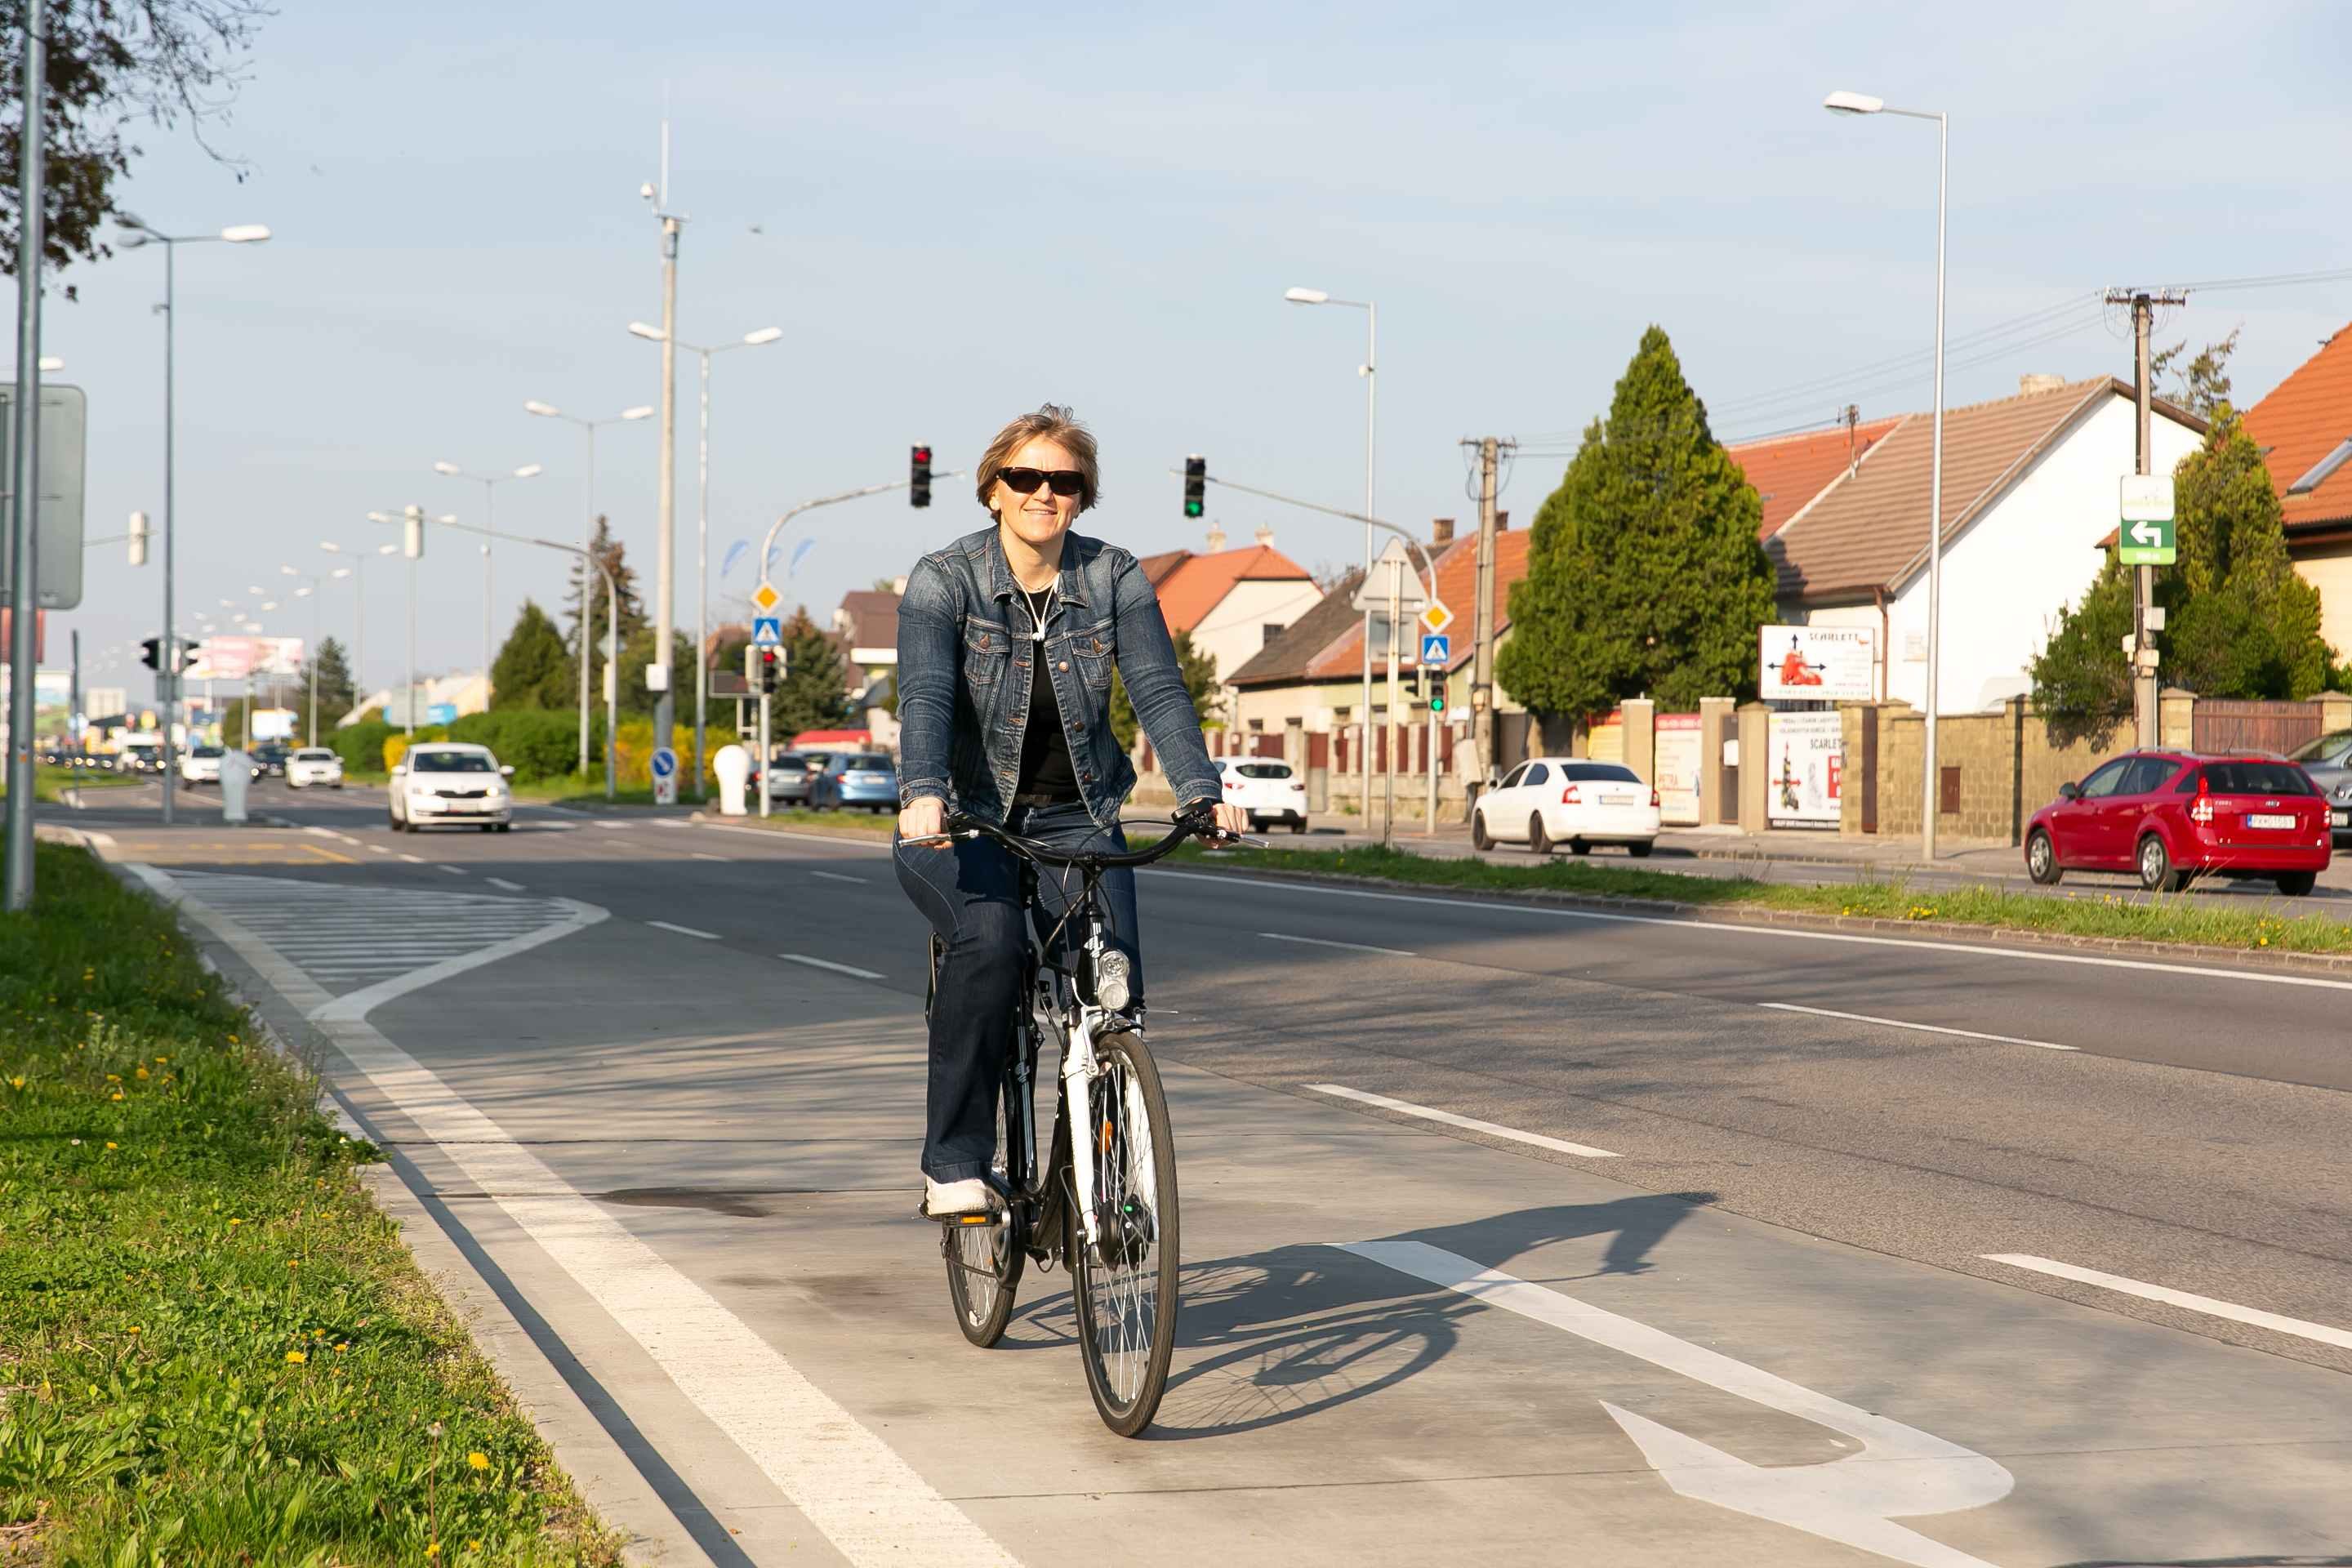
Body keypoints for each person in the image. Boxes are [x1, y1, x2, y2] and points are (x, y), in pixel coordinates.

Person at [893, 404, 1247, 1218]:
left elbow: (1159, 689)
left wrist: (1201, 792)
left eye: (1063, 481)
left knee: (1112, 995)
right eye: (1026, 478)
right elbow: (927, 696)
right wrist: (923, 793)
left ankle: (1111, 1184)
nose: (1043, 493)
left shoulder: (1113, 576)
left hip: (1078, 817)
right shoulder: (943, 580)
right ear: (994, 490)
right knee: (989, 945)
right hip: (964, 821)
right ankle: (954, 1164)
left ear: (1082, 496)